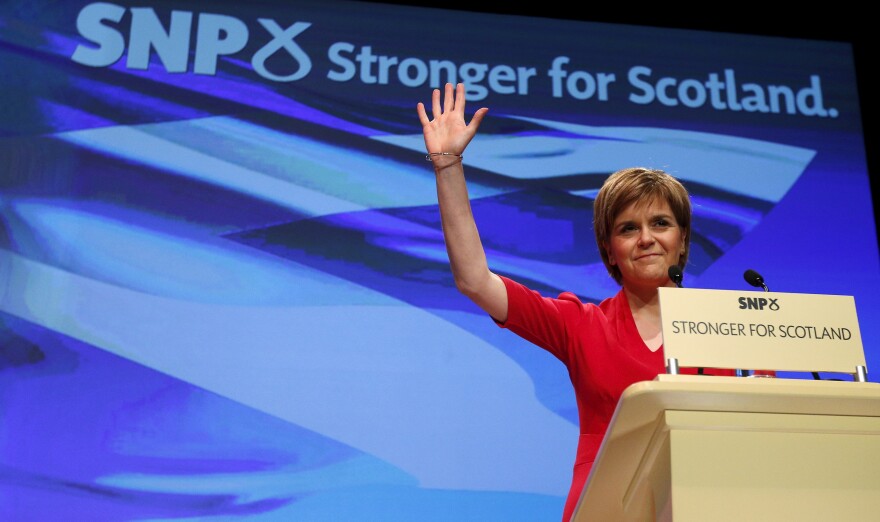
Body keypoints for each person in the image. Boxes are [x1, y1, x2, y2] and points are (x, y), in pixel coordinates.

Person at [416, 82, 746, 521]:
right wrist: (447, 166)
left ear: (682, 241)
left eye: (661, 223)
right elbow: (475, 280)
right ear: (609, 249)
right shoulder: (581, 324)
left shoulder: (734, 330)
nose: (646, 238)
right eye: (628, 228)